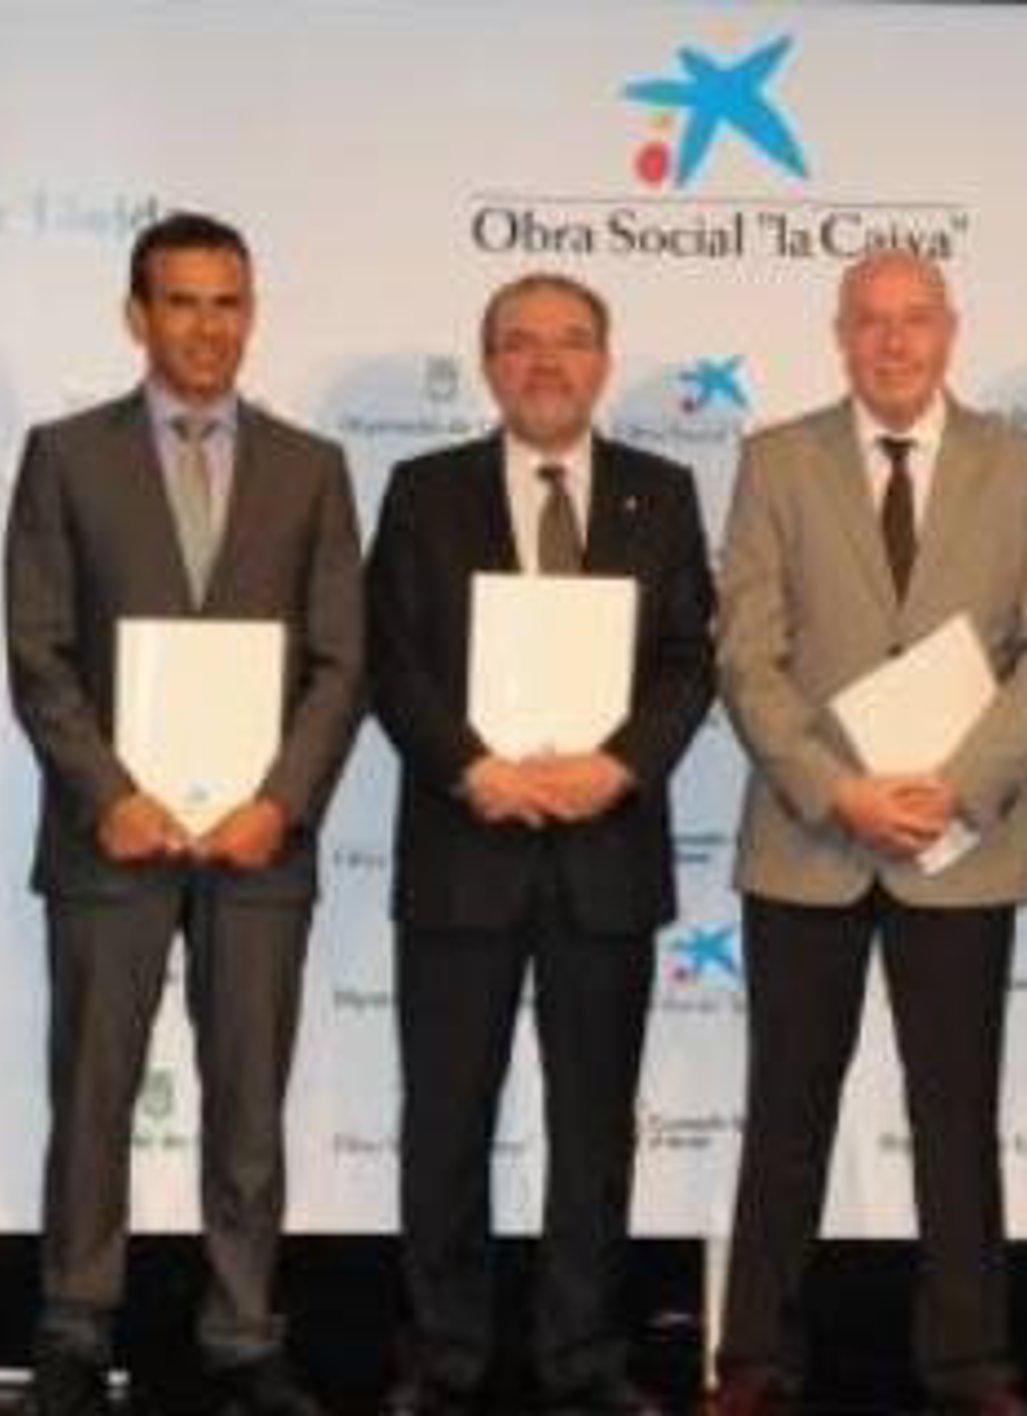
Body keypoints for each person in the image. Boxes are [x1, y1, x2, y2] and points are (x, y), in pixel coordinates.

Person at [710, 250, 1027, 1416]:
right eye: (869, 321)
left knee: (957, 1119)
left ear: (950, 331)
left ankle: (971, 1364)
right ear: (840, 335)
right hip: (809, 841)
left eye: (914, 319)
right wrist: (840, 792)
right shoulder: (775, 460)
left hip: (960, 846)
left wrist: (960, 787)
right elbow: (747, 654)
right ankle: (755, 1360)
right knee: (786, 1115)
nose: (892, 342)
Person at [4, 211, 364, 1416]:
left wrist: (280, 804)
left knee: (249, 1100)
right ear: (137, 315)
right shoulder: (66, 457)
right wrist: (109, 795)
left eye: (228, 303)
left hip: (260, 848)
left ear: (250, 315)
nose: (208, 329)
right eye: (182, 302)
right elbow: (38, 650)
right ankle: (73, 1321)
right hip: (111, 840)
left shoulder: (312, 468)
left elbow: (341, 663)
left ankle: (244, 1329)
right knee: (92, 1093)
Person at [366, 273, 714, 1416]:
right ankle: (444, 1356)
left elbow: (689, 661)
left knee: (594, 1130)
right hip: (463, 850)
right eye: (521, 342)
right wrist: (472, 768)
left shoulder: (664, 493)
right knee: (445, 1124)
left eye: (570, 341)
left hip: (605, 857)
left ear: (603, 362)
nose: (547, 362)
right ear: (489, 364)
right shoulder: (424, 491)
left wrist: (620, 766)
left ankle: (584, 1357)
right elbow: (390, 657)